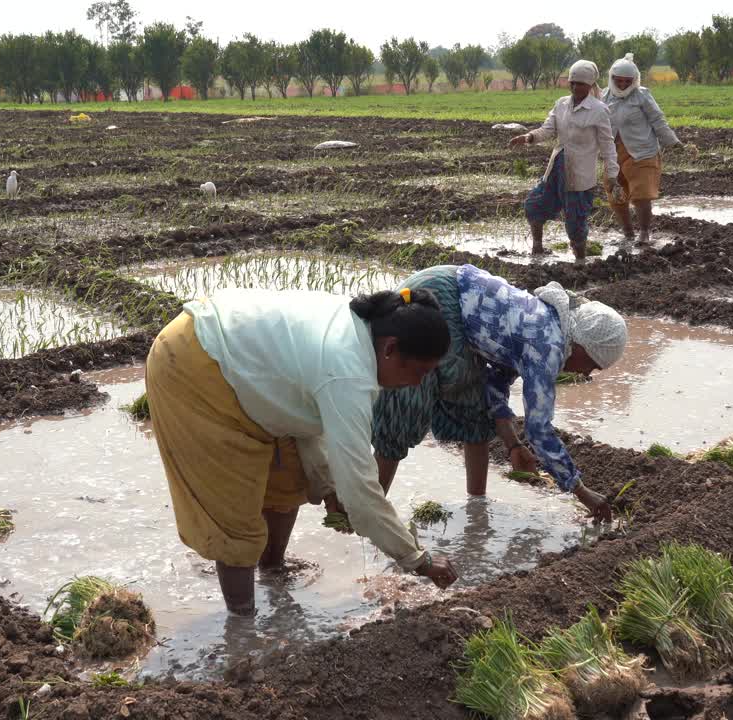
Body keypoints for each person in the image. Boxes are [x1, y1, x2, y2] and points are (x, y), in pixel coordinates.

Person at [144, 286, 460, 616]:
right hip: (192, 363)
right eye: (419, 372)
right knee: (235, 514)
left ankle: (273, 572)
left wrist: (328, 486)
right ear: (391, 349)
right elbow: (362, 495)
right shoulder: (347, 371)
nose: (417, 384)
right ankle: (243, 628)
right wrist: (418, 559)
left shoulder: (360, 332)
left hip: (238, 356)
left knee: (288, 479)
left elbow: (304, 415)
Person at [369, 264, 627, 524]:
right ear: (584, 347)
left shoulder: (548, 325)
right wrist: (581, 492)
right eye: (593, 365)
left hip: (450, 292)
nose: (587, 374)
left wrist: (513, 445)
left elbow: (496, 383)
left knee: (477, 407)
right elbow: (539, 431)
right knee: (406, 406)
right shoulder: (547, 347)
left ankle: (476, 510)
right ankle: (369, 516)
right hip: (441, 297)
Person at [510, 59, 621, 262]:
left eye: (580, 84)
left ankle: (580, 260)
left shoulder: (599, 110)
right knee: (534, 205)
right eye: (572, 83)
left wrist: (612, 174)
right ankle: (537, 248)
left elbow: (608, 145)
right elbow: (548, 129)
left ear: (590, 85)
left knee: (575, 222)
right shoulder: (561, 104)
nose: (575, 87)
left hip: (580, 174)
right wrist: (529, 137)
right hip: (557, 168)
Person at [601, 53, 691, 244]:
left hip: (642, 152)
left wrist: (673, 142)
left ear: (634, 80)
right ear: (612, 79)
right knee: (616, 194)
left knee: (641, 194)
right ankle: (627, 233)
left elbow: (657, 120)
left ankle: (644, 232)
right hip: (613, 153)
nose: (623, 85)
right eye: (619, 81)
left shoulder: (642, 95)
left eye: (628, 81)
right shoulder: (603, 96)